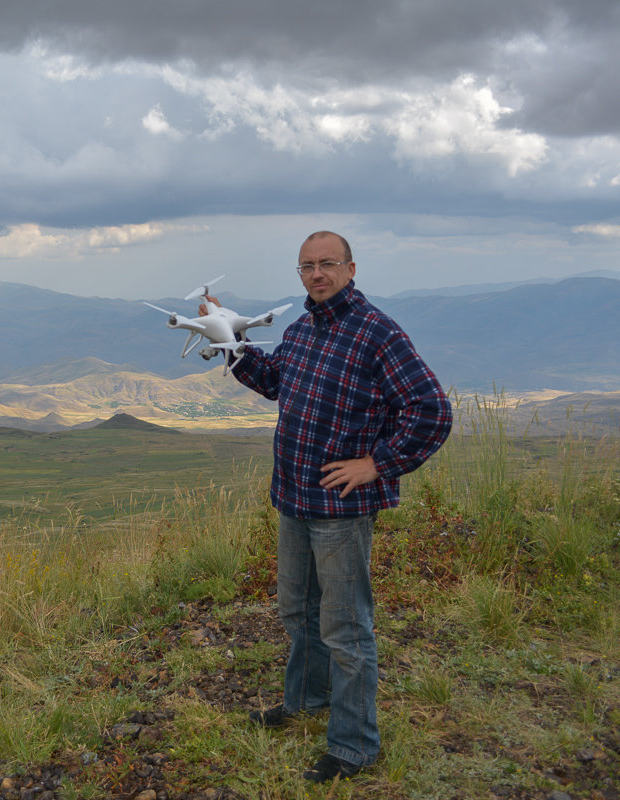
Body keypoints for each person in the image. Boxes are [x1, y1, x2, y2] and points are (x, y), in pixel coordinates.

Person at [205, 231, 452, 783]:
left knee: (345, 628)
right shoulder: (302, 327)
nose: (317, 274)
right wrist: (229, 338)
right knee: (299, 613)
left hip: (340, 507)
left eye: (327, 265)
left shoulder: (376, 333)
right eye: (306, 267)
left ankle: (354, 745)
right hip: (293, 495)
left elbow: (432, 410)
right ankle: (306, 702)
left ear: (350, 268)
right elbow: (274, 381)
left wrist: (377, 464)